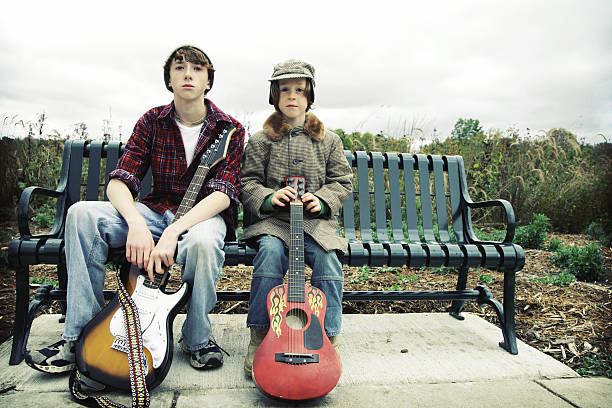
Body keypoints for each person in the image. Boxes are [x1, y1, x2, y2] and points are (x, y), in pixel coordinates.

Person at [25, 45, 245, 373]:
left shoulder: (228, 128)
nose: (188, 74)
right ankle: (80, 336)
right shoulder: (151, 121)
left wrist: (174, 231)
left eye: (197, 69)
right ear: (169, 79)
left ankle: (198, 338)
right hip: (154, 212)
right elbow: (120, 181)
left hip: (203, 215)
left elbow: (224, 195)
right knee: (81, 214)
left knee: (202, 242)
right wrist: (137, 224)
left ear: (208, 81)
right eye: (179, 68)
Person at [239, 59, 352, 377]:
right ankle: (260, 335)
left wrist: (323, 199)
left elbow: (341, 182)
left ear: (310, 95)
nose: (292, 96)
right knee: (270, 253)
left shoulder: (329, 141)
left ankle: (327, 337)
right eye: (284, 89)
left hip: (315, 226)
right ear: (274, 95)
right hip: (273, 224)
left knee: (329, 260)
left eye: (299, 90)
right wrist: (269, 197)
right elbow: (247, 182)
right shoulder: (262, 141)